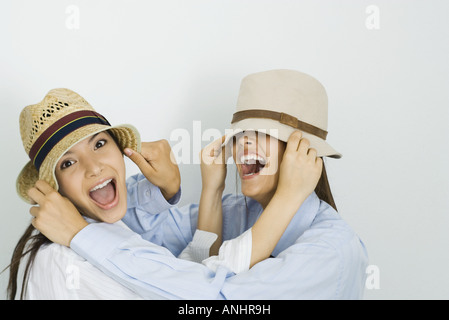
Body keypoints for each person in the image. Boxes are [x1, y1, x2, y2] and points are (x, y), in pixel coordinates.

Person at [29, 70, 369, 299]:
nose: (244, 145)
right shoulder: (238, 212)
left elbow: (217, 296)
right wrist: (200, 191)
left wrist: (290, 197)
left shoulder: (331, 253)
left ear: (305, 152)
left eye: (264, 134)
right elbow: (172, 253)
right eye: (240, 135)